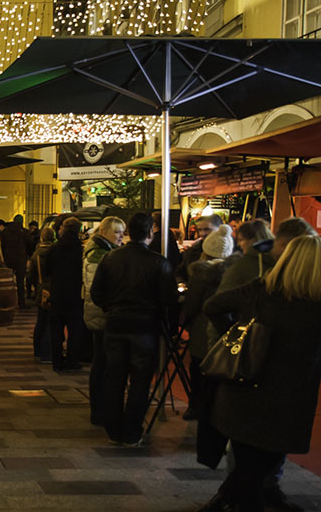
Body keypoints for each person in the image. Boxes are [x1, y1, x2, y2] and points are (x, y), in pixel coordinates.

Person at [202, 235, 321, 512]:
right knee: (261, 464)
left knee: (249, 464)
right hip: (290, 397)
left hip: (245, 388)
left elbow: (212, 307)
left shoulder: (261, 290)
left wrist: (236, 340)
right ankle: (230, 501)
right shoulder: (316, 305)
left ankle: (225, 500)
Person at [90, 213, 176, 446]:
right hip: (145, 328)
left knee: (114, 377)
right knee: (139, 381)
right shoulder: (158, 262)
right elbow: (169, 299)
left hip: (116, 324)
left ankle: (114, 429)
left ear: (128, 232)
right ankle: (130, 431)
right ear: (150, 233)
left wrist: (111, 307)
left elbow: (96, 293)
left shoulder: (110, 258)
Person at [181, 224, 234, 422]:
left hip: (202, 330)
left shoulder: (201, 275)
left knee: (198, 369)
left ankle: (196, 406)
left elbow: (192, 306)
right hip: (226, 332)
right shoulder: (234, 273)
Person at [82, 216, 124, 425]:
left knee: (104, 363)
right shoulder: (97, 254)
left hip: (101, 313)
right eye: (117, 232)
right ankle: (99, 411)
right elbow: (95, 287)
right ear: (104, 232)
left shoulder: (105, 251)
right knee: (102, 364)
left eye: (123, 232)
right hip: (101, 315)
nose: (121, 236)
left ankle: (101, 409)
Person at [47, 217, 85, 372]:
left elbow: (47, 269)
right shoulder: (81, 249)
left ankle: (57, 361)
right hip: (75, 294)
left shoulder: (56, 248)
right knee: (75, 330)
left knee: (56, 330)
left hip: (57, 293)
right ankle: (72, 361)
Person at [28, 227, 55, 364]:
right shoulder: (55, 252)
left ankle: (37, 350)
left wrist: (36, 285)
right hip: (52, 289)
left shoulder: (36, 254)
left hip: (41, 288)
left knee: (41, 321)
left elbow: (31, 274)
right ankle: (47, 352)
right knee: (50, 322)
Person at [179, 214, 223, 280]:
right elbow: (181, 274)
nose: (202, 233)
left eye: (207, 229)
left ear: (220, 229)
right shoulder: (192, 251)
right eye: (199, 230)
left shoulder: (233, 251)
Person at [1, 215, 30, 309]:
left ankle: (7, 302)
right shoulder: (24, 232)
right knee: (20, 282)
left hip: (9, 259)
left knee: (8, 281)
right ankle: (21, 302)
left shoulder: (6, 231)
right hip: (21, 259)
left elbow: (3, 245)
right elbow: (30, 244)